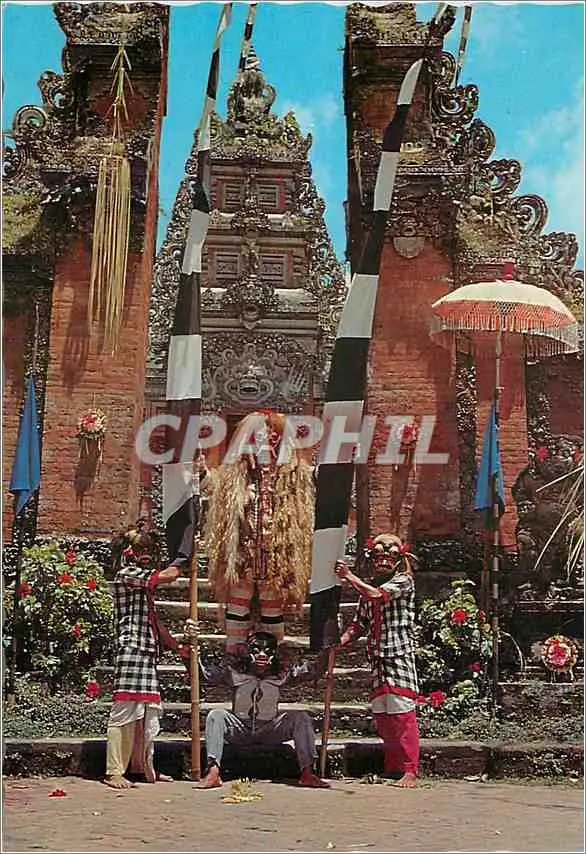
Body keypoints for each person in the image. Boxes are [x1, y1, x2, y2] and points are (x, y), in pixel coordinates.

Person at [204, 410, 314, 653]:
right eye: (261, 436)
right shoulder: (234, 477)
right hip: (242, 557)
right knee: (238, 607)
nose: (268, 441)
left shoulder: (292, 477)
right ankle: (235, 656)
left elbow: (312, 486)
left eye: (273, 436)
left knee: (272, 609)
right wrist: (200, 471)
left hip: (276, 558)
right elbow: (210, 486)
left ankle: (272, 660)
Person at [183, 621, 331, 789]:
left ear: (274, 654)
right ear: (247, 652)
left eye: (267, 651)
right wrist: (189, 652)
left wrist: (328, 646)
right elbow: (202, 674)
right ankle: (213, 772)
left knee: (301, 717)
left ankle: (307, 773)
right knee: (216, 715)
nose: (261, 655)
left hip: (270, 729)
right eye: (256, 650)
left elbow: (315, 671)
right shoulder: (234, 673)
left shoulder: (282, 674)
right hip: (239, 728)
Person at [104, 519, 191, 789]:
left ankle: (141, 766)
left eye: (150, 550)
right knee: (125, 709)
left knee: (144, 713)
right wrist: (184, 555)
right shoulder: (126, 574)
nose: (146, 555)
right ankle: (114, 771)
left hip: (146, 650)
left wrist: (177, 647)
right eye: (141, 550)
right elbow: (169, 576)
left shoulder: (142, 584)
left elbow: (155, 622)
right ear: (128, 552)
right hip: (131, 648)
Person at [334, 533, 420, 788]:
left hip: (398, 655)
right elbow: (360, 623)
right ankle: (393, 766)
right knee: (383, 716)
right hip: (377, 658)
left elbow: (377, 595)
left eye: (389, 557)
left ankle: (410, 770)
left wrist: (348, 576)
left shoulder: (404, 580)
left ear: (398, 560)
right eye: (379, 556)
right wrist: (339, 643)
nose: (383, 561)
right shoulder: (367, 588)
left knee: (402, 714)